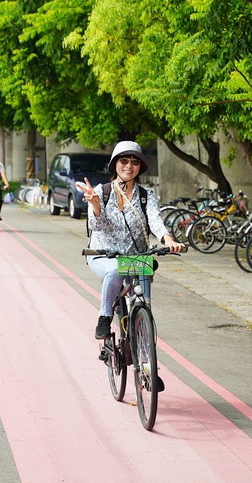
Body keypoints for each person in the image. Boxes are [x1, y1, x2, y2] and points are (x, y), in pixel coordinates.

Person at [78, 141, 184, 341]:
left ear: (140, 167)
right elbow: (97, 226)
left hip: (136, 256)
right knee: (116, 270)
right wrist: (95, 205)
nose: (129, 166)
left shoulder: (146, 195)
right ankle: (105, 316)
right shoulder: (101, 192)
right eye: (124, 160)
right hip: (104, 255)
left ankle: (144, 352)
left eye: (134, 162)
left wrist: (168, 239)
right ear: (115, 164)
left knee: (143, 299)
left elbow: (155, 220)